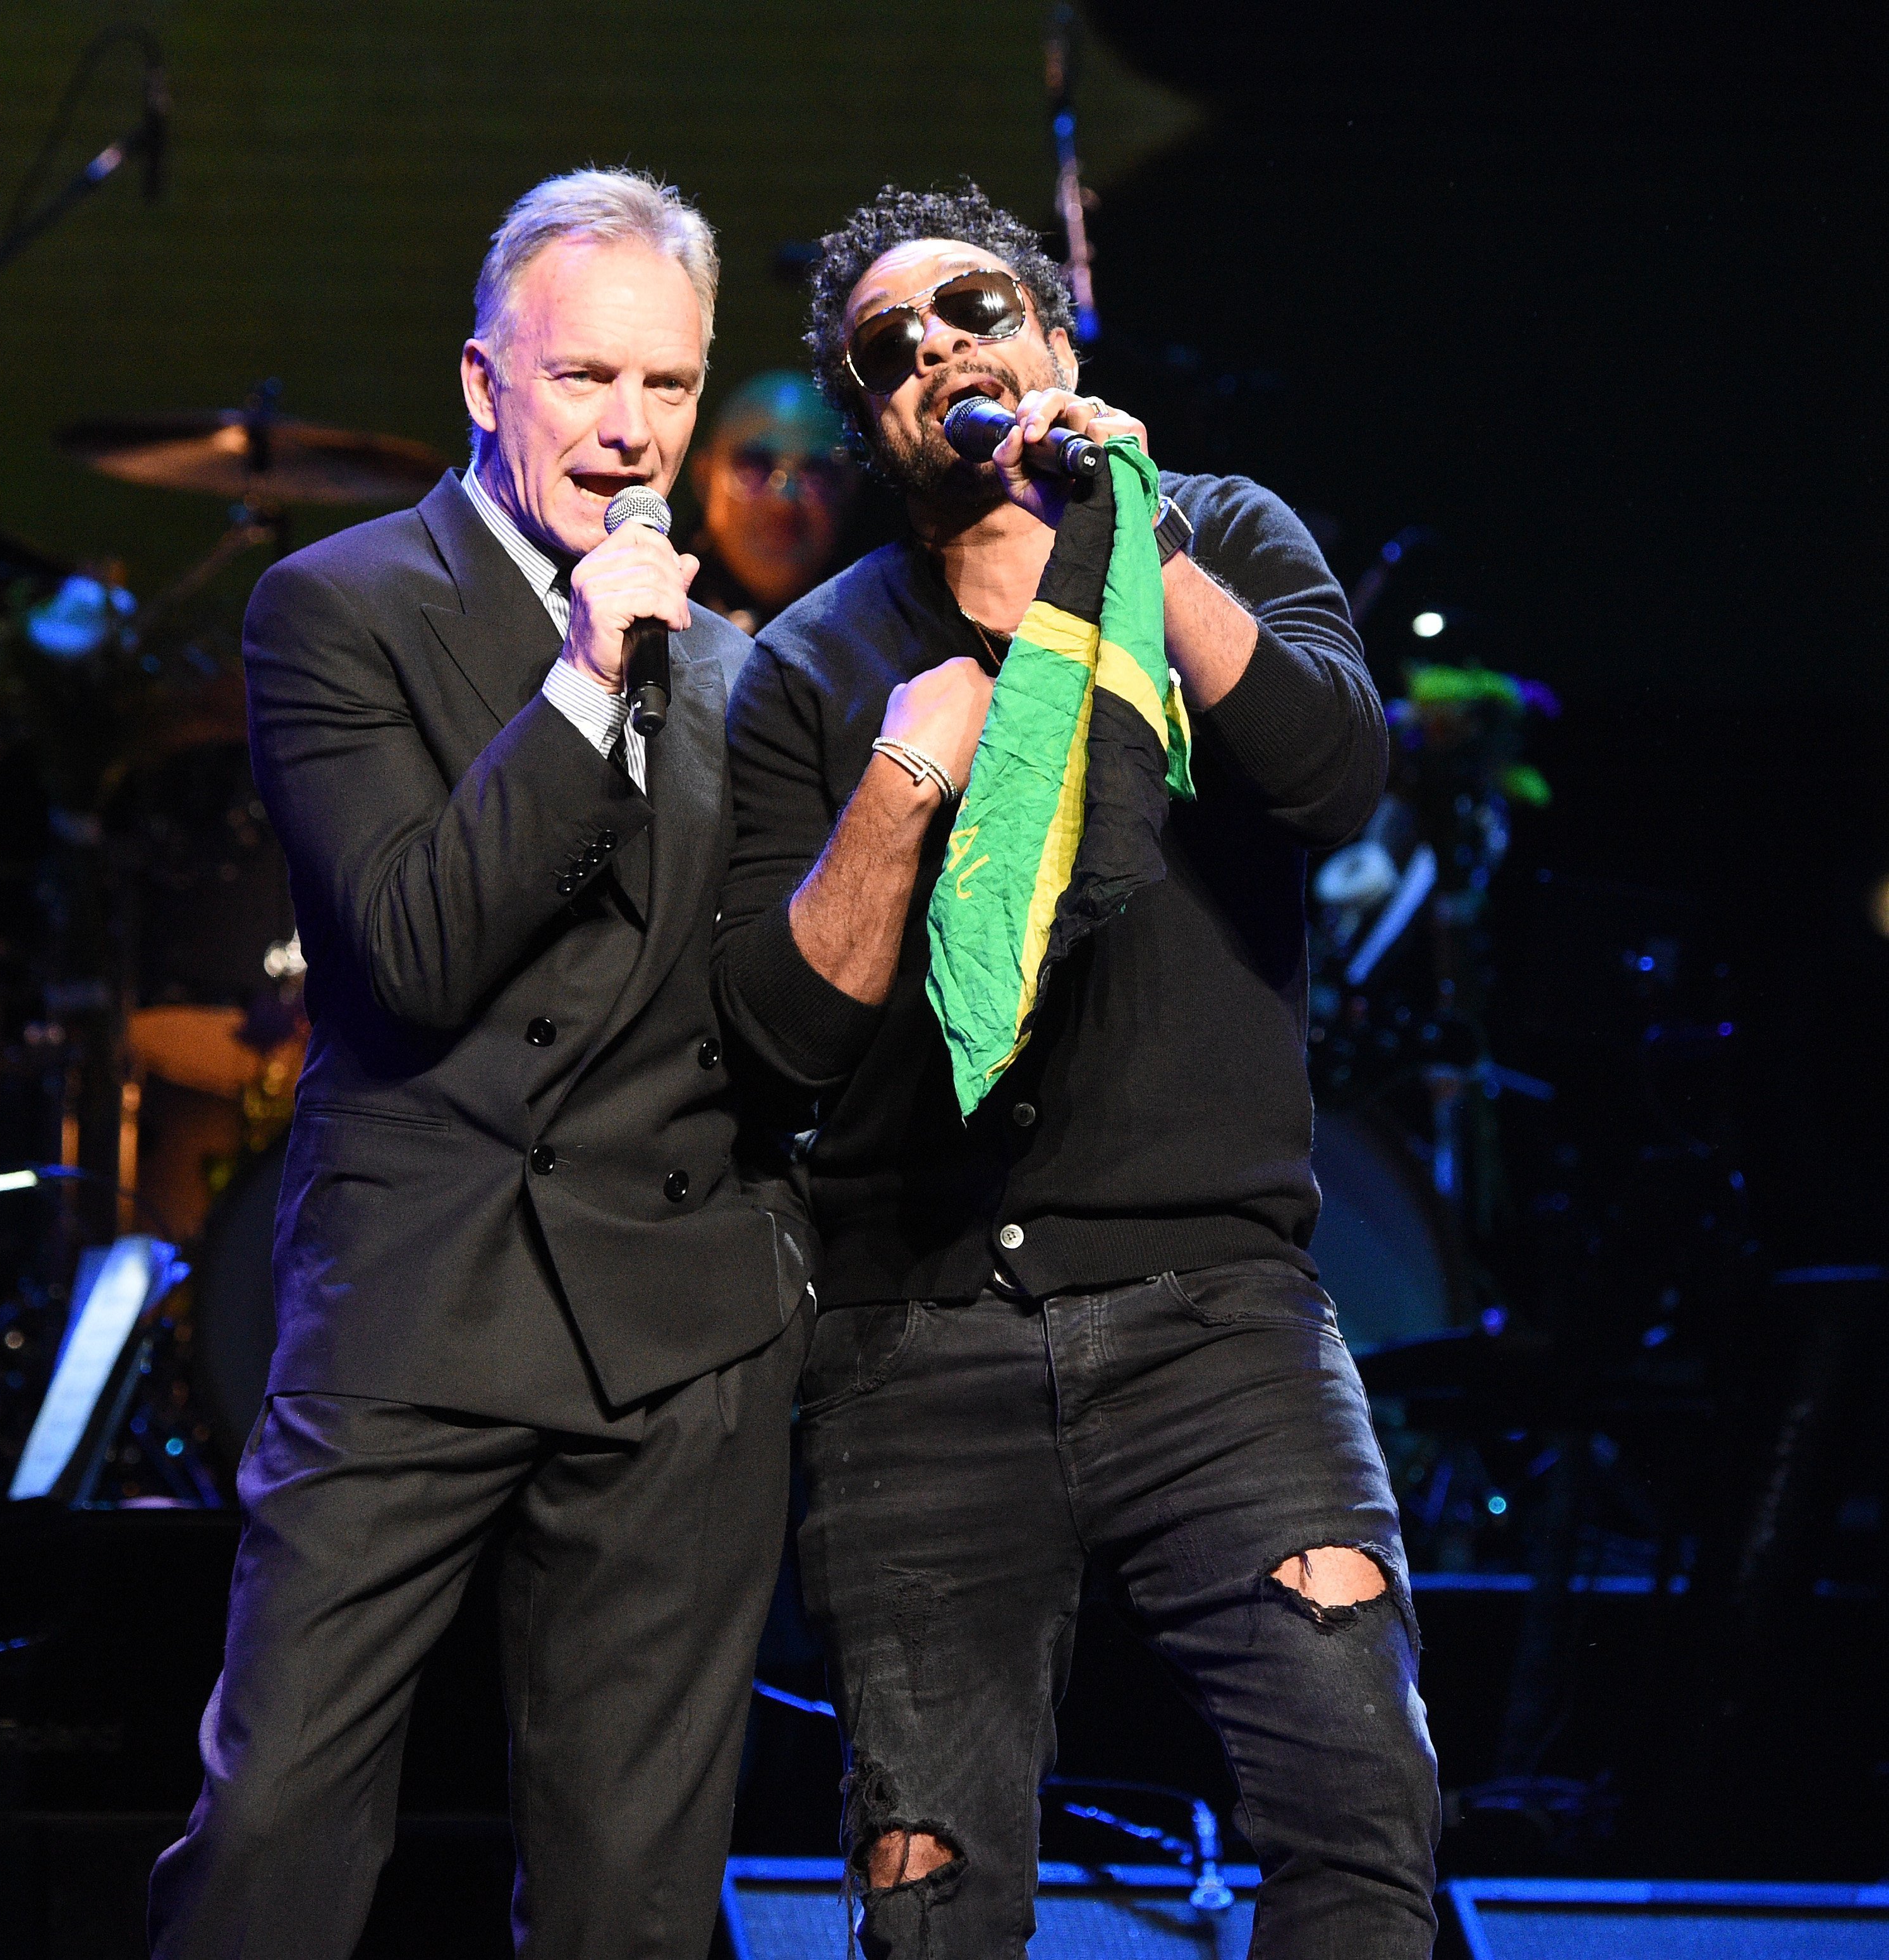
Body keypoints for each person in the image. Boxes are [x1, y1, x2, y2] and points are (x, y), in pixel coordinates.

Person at [715, 181, 1440, 1958]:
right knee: (930, 1900)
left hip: (1218, 1315)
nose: (937, 350)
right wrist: (900, 784)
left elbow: (1332, 778)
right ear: (871, 417)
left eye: (971, 309)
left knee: (1361, 1814)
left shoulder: (1223, 536)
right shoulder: (817, 665)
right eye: (886, 348)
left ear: (1054, 337)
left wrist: (1129, 534)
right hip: (917, 1336)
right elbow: (781, 1033)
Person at [148, 169, 813, 1960]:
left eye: (666, 388)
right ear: (479, 380)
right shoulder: (336, 606)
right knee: (277, 1818)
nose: (628, 431)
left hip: (675, 1324)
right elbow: (419, 945)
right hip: (423, 1293)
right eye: (584, 379)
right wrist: (589, 678)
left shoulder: (744, 671)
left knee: (638, 1890)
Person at [687, 368, 856, 632]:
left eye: (816, 474)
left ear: (850, 488)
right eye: (754, 468)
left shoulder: (882, 625)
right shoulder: (649, 608)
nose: (784, 500)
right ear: (705, 478)